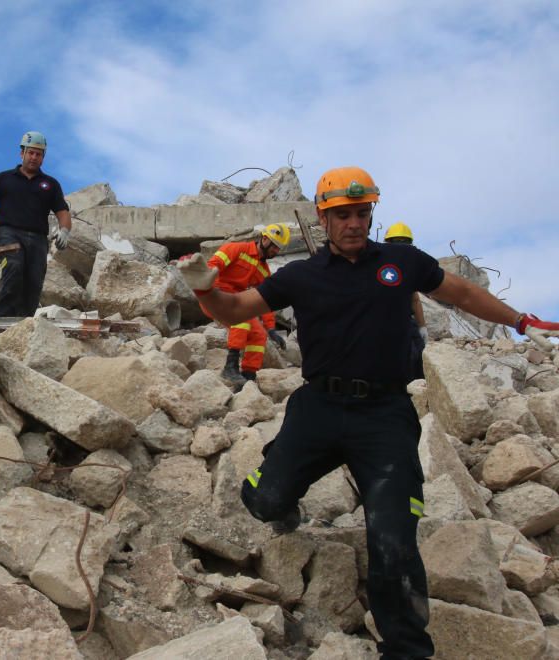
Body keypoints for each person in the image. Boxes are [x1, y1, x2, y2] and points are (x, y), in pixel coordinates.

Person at [176, 166, 559, 659]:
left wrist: (521, 320)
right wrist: (206, 289)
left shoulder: (402, 263)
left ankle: (405, 650)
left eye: (361, 213)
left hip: (385, 415)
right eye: (342, 215)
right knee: (267, 502)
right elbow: (234, 311)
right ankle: (276, 481)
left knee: (394, 538)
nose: (353, 223)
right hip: (319, 407)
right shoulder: (301, 276)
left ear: (370, 213)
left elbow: (460, 293)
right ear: (323, 217)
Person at [0, 131, 72, 317]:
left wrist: (64, 231)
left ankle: (24, 323)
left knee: (34, 281)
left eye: (38, 154)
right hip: (9, 234)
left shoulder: (50, 184)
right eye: (30, 152)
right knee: (13, 268)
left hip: (38, 240)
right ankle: (2, 320)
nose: (34, 157)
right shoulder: (3, 179)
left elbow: (63, 213)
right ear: (21, 153)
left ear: (43, 158)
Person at [202, 224, 291, 387]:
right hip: (214, 296)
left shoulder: (264, 271)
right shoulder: (236, 249)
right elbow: (211, 268)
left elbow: (264, 301)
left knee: (258, 334)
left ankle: (247, 377)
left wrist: (271, 328)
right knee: (241, 320)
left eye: (279, 249)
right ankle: (230, 367)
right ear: (265, 239)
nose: (276, 252)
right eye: (275, 247)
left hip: (235, 301)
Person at [384, 222, 428, 381]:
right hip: (388, 325)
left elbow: (415, 299)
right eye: (398, 242)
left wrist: (422, 327)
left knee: (419, 360)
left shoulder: (407, 268)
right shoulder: (379, 267)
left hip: (406, 324)